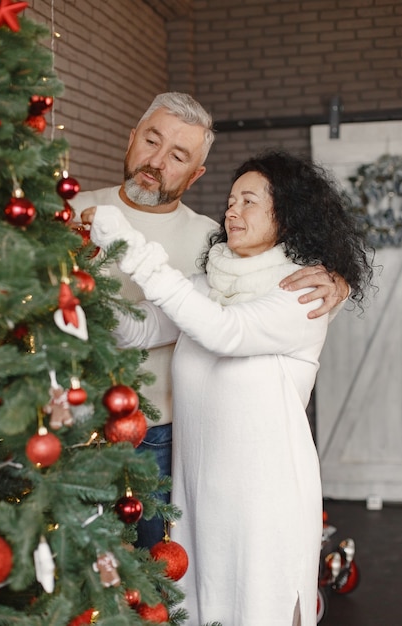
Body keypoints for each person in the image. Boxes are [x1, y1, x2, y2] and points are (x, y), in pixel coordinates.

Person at [83, 149, 373, 626]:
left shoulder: (302, 292)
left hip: (265, 497)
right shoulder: (206, 285)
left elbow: (224, 332)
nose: (232, 211)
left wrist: (132, 245)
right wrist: (82, 281)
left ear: (288, 214)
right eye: (231, 200)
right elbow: (135, 331)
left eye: (250, 201)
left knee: (261, 609)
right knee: (200, 608)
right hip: (198, 492)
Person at [71, 93, 349, 549]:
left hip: (161, 433)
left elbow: (241, 316)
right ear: (131, 139)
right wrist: (76, 292)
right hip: (69, 420)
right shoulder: (72, 212)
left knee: (156, 574)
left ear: (195, 174)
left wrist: (339, 284)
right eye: (151, 140)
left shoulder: (211, 242)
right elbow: (140, 325)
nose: (157, 161)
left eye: (178, 155)